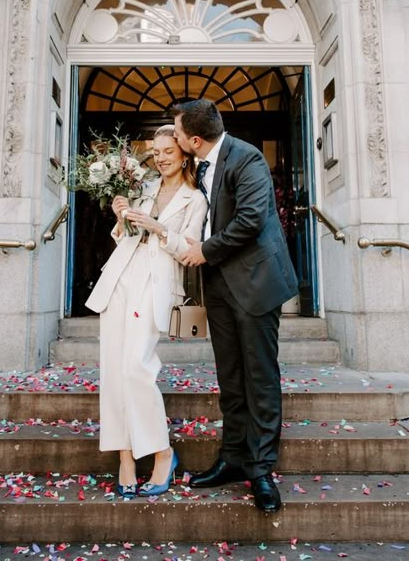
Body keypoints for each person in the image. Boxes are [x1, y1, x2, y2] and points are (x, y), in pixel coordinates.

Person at [173, 99, 298, 513]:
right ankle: (231, 458)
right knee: (229, 376)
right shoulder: (199, 164)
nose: (173, 138)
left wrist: (204, 252)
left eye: (176, 133)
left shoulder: (247, 158)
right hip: (220, 285)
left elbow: (250, 220)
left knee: (259, 377)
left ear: (194, 138)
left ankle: (261, 470)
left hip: (256, 281)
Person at [85, 125, 207, 498]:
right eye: (155, 151)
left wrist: (158, 228)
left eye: (168, 150)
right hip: (120, 278)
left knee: (137, 369)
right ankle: (125, 457)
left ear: (185, 152)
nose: (161, 157)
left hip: (154, 285)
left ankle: (163, 452)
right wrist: (122, 215)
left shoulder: (195, 199)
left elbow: (191, 250)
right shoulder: (144, 188)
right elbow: (124, 237)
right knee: (116, 370)